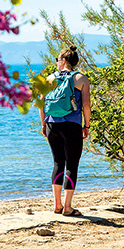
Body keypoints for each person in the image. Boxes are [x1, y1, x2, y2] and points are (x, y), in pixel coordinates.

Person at [40, 46, 91, 217]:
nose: (56, 63)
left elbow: (41, 104)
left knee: (57, 163)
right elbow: (85, 105)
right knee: (72, 164)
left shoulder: (49, 79)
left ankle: (57, 205)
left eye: (57, 59)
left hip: (52, 125)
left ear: (63, 61)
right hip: (72, 125)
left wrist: (43, 124)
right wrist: (87, 126)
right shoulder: (81, 79)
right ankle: (68, 208)